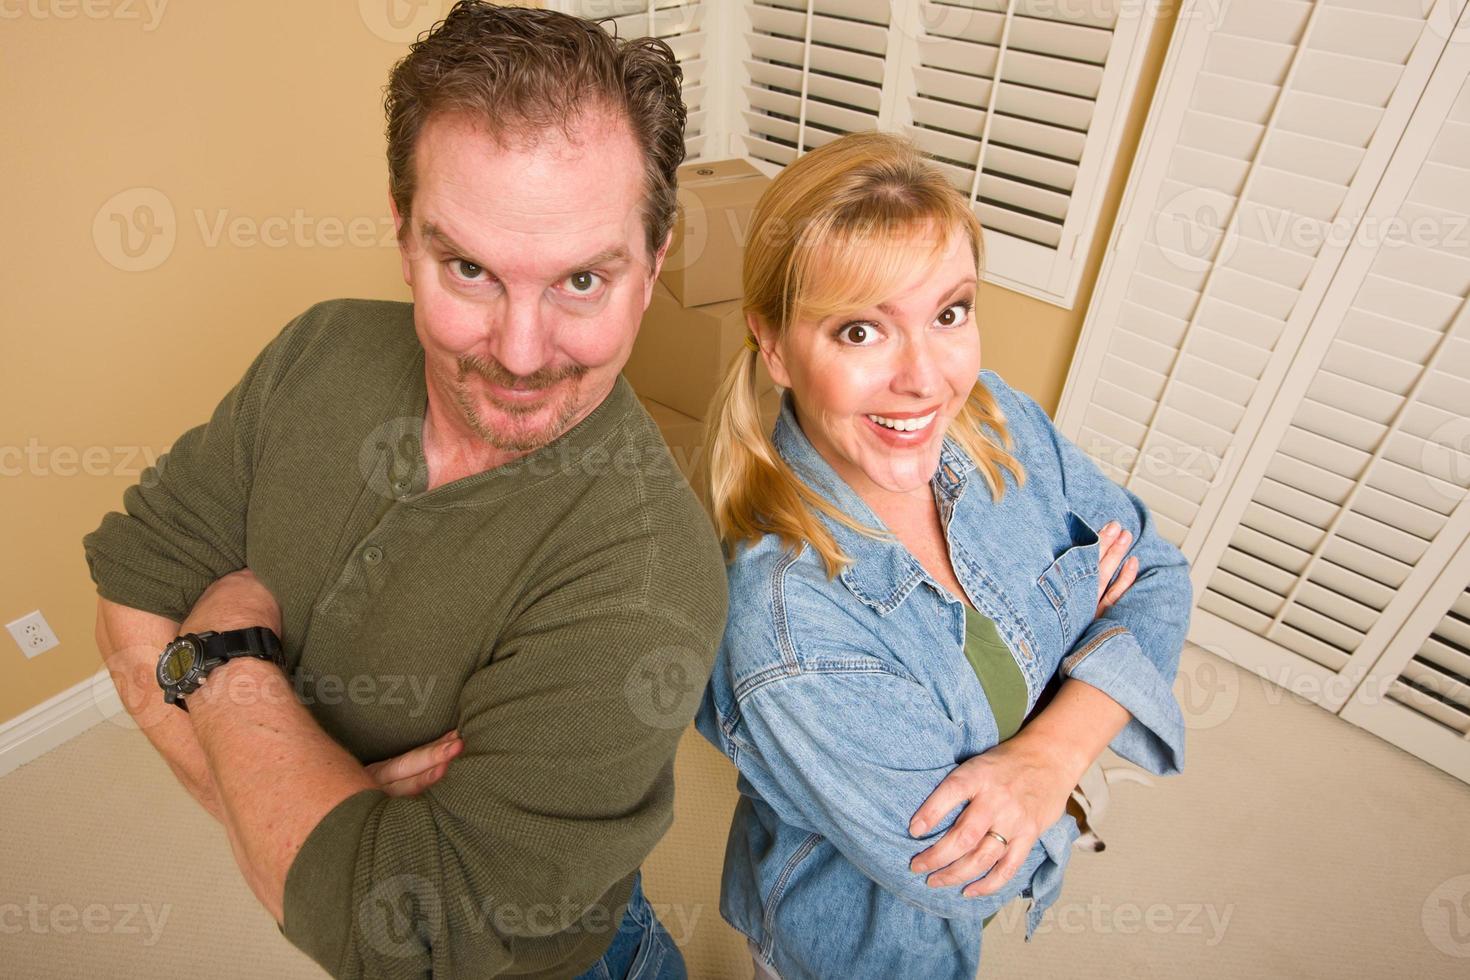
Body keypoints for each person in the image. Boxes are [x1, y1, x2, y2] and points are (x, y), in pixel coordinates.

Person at [81, 4, 725, 978]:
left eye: (583, 279)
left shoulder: (652, 579)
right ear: (402, 234)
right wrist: (292, 823)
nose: (518, 352)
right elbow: (128, 598)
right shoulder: (318, 347)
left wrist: (219, 653)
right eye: (468, 267)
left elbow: (413, 939)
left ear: (653, 266)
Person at [694, 132, 1193, 980]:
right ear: (775, 347)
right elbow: (963, 876)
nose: (926, 380)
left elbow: (1164, 576)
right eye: (861, 330)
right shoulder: (786, 624)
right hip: (855, 950)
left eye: (949, 313)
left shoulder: (991, 419)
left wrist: (1043, 758)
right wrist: (1094, 676)